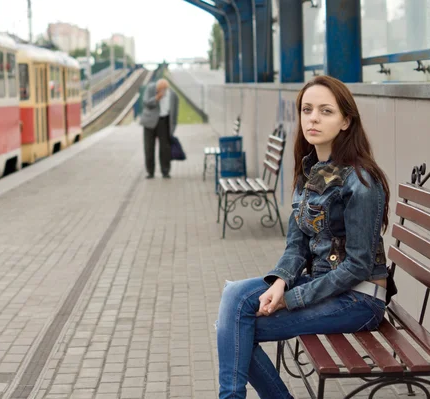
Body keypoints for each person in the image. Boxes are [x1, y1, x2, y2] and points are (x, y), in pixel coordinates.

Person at [216, 75, 391, 399]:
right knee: (234, 298)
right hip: (322, 286)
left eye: (326, 111)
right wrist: (280, 283)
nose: (313, 117)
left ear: (345, 121)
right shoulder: (313, 170)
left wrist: (291, 299)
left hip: (360, 299)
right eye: (307, 109)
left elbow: (357, 266)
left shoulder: (361, 181)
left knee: (235, 330)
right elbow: (296, 244)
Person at [139, 78, 179, 179]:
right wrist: (157, 98)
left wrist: (172, 128)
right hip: (149, 122)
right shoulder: (150, 88)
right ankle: (150, 172)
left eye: (162, 89)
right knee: (149, 148)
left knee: (165, 148)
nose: (160, 91)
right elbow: (146, 103)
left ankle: (165, 171)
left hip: (164, 122)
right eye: (159, 89)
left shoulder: (173, 95)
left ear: (166, 88)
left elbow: (174, 114)